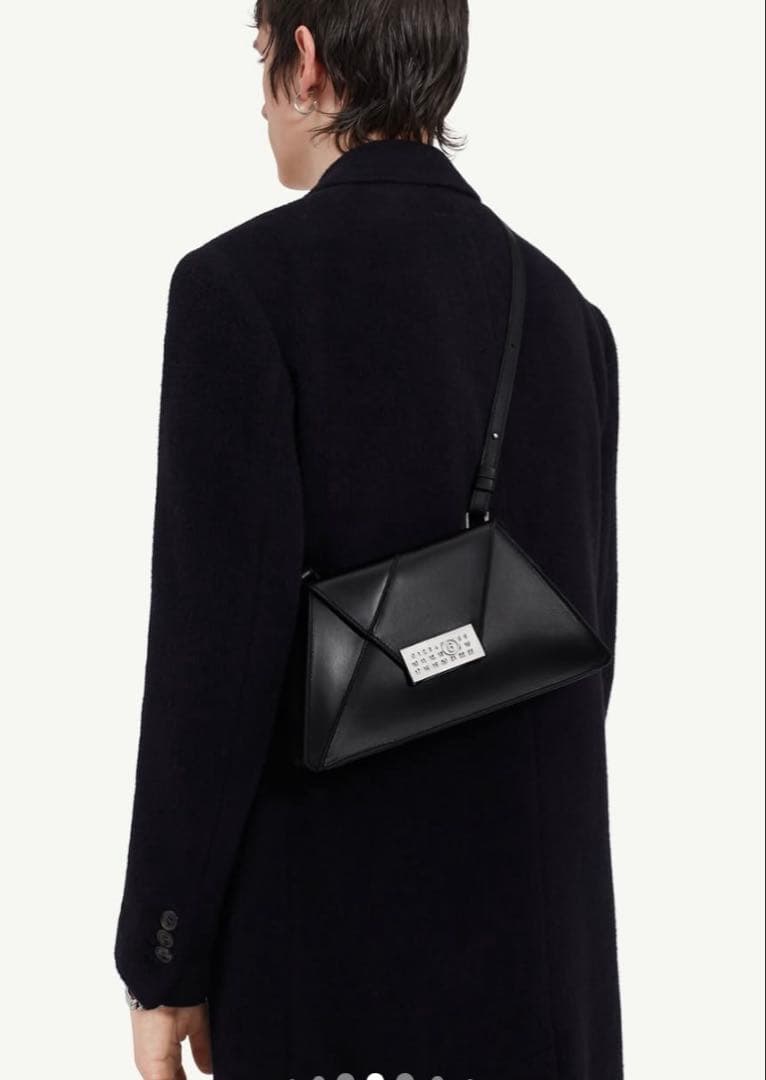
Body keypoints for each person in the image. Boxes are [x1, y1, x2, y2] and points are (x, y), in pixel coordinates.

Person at [114, 2, 624, 1078]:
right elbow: (588, 658)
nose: (260, 98)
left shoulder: (238, 292)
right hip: (543, 984)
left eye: (261, 55)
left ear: (306, 62)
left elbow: (212, 668)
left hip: (328, 974)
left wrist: (164, 954)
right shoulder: (570, 318)